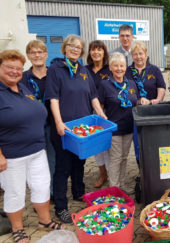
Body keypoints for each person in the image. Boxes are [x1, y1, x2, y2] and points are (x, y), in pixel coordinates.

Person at [0, 50, 64, 243]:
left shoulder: (22, 88)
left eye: (18, 68)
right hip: (12, 155)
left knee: (42, 185)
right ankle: (17, 228)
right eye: (9, 67)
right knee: (15, 191)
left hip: (37, 150)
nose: (14, 71)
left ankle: (44, 221)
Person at [45, 34, 107, 224]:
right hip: (65, 129)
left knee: (79, 162)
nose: (75, 49)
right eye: (71, 46)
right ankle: (61, 207)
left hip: (83, 129)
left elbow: (93, 96)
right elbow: (53, 98)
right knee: (63, 167)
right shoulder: (56, 69)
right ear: (65, 47)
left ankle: (79, 193)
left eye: (79, 47)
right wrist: (58, 122)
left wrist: (102, 115)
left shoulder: (83, 70)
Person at [98, 52, 143, 193]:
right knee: (116, 159)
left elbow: (135, 100)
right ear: (110, 68)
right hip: (114, 129)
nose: (119, 69)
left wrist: (143, 102)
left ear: (125, 67)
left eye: (122, 66)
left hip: (129, 127)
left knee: (124, 158)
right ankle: (114, 188)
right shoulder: (104, 85)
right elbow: (100, 106)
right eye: (116, 66)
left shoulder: (130, 83)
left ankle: (121, 185)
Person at [20, 40, 56, 200]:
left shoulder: (54, 75)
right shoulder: (23, 78)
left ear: (46, 54)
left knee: (52, 160)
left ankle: (53, 192)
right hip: (31, 128)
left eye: (40, 52)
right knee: (34, 165)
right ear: (28, 55)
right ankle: (39, 196)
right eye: (33, 52)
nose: (37, 55)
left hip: (52, 125)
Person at [125, 41, 166, 166]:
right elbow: (123, 89)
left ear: (146, 54)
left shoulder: (154, 70)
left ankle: (154, 169)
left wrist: (158, 100)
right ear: (132, 56)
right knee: (139, 144)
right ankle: (142, 170)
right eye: (135, 54)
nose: (138, 57)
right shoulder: (127, 71)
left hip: (153, 112)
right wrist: (136, 100)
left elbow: (161, 87)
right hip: (135, 113)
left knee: (154, 142)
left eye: (141, 53)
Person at [86, 40, 111, 188]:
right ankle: (103, 174)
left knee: (107, 145)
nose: (96, 52)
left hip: (106, 112)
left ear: (104, 52)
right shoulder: (84, 70)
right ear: (89, 53)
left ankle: (111, 174)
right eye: (93, 50)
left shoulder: (109, 70)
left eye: (99, 50)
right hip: (89, 113)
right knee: (96, 147)